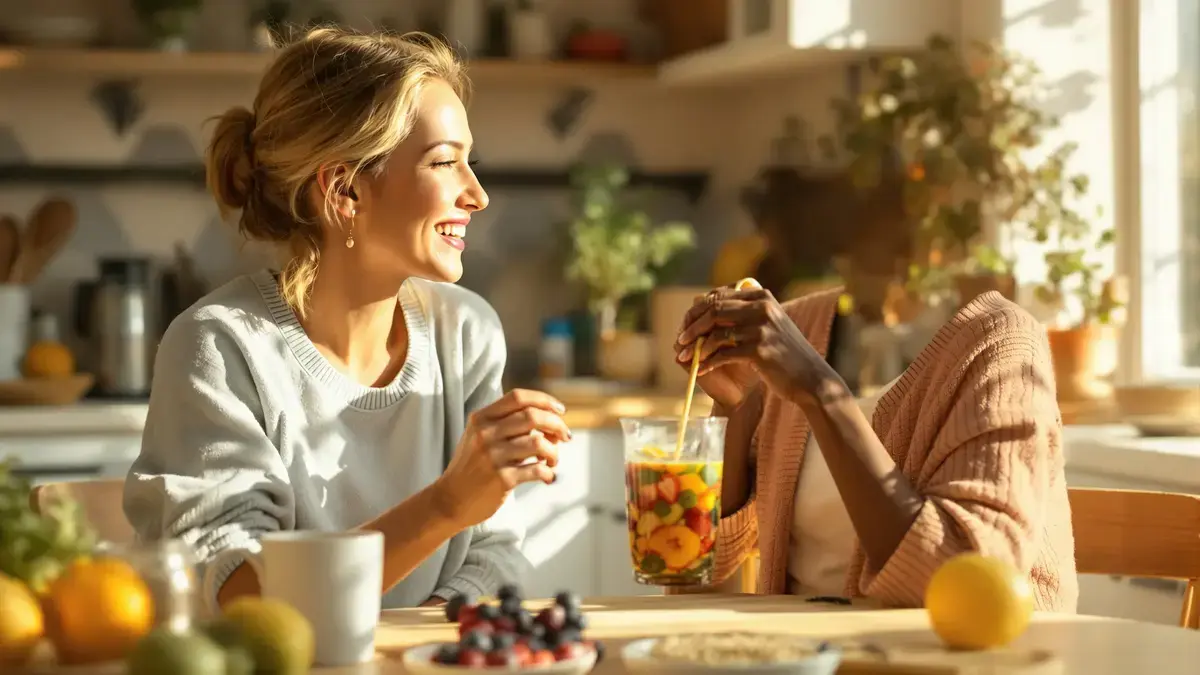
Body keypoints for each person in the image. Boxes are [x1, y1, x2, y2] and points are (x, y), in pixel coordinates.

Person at [123, 28, 571, 611]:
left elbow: (492, 551)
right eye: (444, 163)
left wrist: (427, 646)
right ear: (344, 190)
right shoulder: (220, 347)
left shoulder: (465, 333)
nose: (477, 195)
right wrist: (446, 504)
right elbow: (242, 596)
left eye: (471, 163)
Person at [673, 284, 1078, 610]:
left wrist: (821, 393)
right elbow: (695, 572)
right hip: (806, 659)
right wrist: (733, 405)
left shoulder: (1002, 341)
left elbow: (969, 583)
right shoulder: (792, 327)